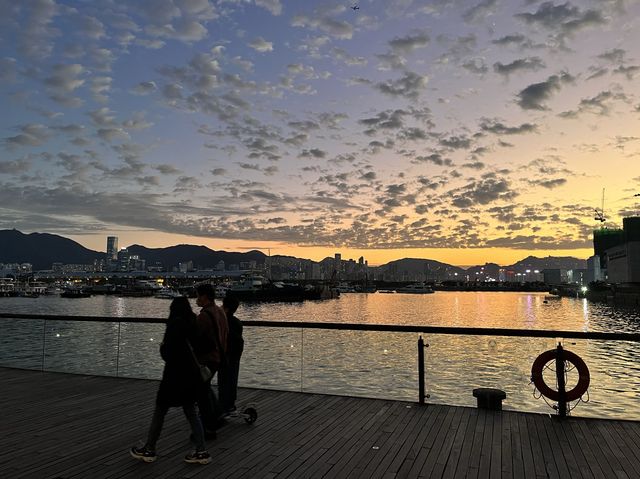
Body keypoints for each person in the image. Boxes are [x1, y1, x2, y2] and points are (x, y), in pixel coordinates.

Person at [130, 297, 211, 465]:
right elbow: (202, 346)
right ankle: (201, 450)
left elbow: (168, 353)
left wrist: (162, 347)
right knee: (191, 413)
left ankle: (150, 448)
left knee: (159, 412)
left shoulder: (174, 324)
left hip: (173, 377)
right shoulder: (193, 323)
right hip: (190, 376)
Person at [193, 283, 229, 435]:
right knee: (205, 387)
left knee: (200, 392)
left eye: (198, 296)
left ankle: (208, 427)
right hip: (219, 357)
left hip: (207, 358)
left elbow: (195, 337)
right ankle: (218, 415)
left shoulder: (204, 316)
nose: (196, 299)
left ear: (204, 297)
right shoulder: (220, 312)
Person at [219, 294, 244, 414]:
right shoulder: (237, 323)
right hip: (235, 354)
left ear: (226, 308)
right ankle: (230, 404)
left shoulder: (223, 322)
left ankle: (223, 405)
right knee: (232, 379)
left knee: (223, 380)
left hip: (225, 354)